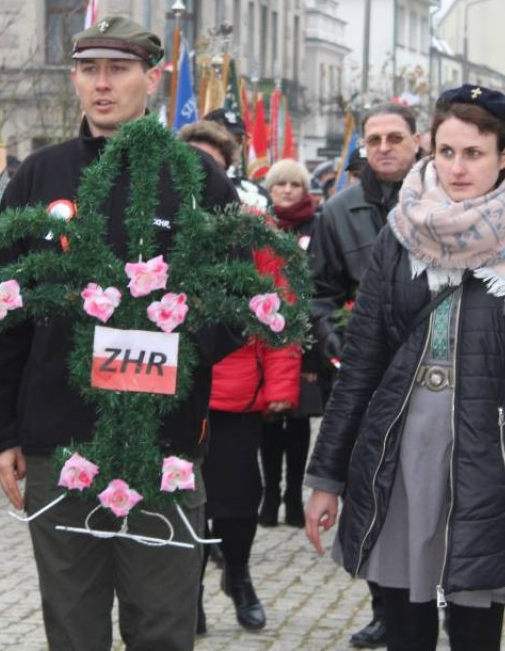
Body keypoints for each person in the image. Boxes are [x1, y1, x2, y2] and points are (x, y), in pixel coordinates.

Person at [0, 16, 241, 651]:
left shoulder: (197, 180)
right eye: (89, 69)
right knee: (73, 627)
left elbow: (238, 301)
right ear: (73, 77)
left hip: (163, 441)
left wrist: (173, 342)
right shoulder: (39, 177)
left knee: (162, 626)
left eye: (118, 70)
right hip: (57, 439)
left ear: (152, 79)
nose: (101, 84)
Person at [305, 84, 505, 651]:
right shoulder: (402, 232)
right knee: (405, 619)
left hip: (490, 454)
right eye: (446, 152)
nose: (457, 168)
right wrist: (325, 478)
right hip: (401, 446)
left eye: (474, 153)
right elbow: (361, 364)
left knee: (475, 621)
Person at [179, 120, 299, 634]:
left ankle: (240, 575)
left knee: (236, 499)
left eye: (212, 162)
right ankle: (187, 592)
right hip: (172, 391)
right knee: (181, 500)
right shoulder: (154, 225)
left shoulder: (256, 230)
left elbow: (281, 311)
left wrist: (281, 387)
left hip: (236, 392)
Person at [308, 101, 421, 649]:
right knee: (368, 490)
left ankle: (429, 598)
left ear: (417, 142)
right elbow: (318, 294)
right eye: (373, 139)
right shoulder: (339, 212)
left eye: (394, 137)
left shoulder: (439, 205)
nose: (383, 148)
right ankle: (386, 603)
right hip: (361, 376)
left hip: (426, 374)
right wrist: (335, 340)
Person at [258, 159, 318, 530]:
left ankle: (294, 496)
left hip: (303, 334)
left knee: (297, 424)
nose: (288, 191)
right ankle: (270, 494)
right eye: (281, 185)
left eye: (295, 185)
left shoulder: (318, 224)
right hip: (265, 329)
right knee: (267, 420)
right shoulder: (259, 225)